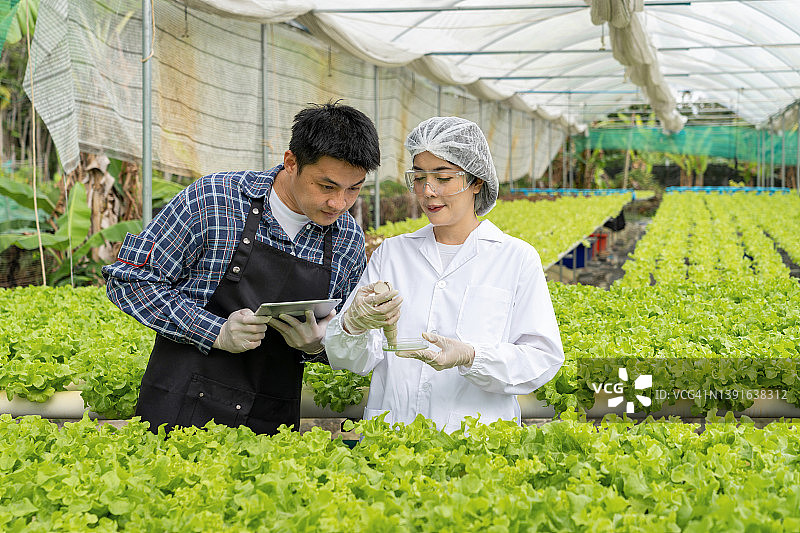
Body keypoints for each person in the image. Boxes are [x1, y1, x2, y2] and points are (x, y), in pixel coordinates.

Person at [103, 101, 380, 435]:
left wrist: (318, 345)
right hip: (178, 412)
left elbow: (346, 335)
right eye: (327, 186)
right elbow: (130, 281)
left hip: (270, 422)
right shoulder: (214, 199)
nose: (339, 203)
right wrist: (215, 331)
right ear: (291, 162)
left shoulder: (347, 239)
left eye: (354, 189)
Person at [324, 116, 564, 433]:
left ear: (477, 182)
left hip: (478, 441)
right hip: (393, 436)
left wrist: (472, 357)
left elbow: (542, 358)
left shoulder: (515, 258)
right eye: (419, 177)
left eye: (443, 178)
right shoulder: (392, 253)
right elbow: (350, 359)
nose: (428, 191)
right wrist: (353, 325)